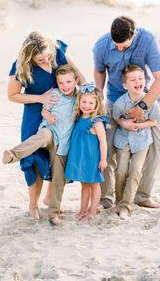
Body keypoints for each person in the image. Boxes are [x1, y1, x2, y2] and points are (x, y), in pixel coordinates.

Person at [93, 16, 160, 209]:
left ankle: (142, 195)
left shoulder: (147, 40)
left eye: (123, 45)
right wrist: (99, 96)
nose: (119, 48)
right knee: (106, 148)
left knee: (158, 148)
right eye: (115, 44)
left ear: (133, 35)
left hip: (148, 98)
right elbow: (99, 71)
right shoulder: (101, 45)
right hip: (115, 99)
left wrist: (142, 106)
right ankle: (106, 198)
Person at [7, 32, 85, 220]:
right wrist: (39, 98)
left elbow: (79, 77)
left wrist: (88, 96)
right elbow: (12, 95)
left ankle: (51, 198)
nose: (46, 60)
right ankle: (33, 205)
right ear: (30, 57)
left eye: (48, 56)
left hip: (64, 113)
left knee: (58, 155)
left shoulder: (57, 50)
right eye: (40, 59)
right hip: (35, 115)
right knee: (33, 159)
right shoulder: (21, 66)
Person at [112, 65, 160, 220]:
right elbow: (116, 118)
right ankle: (119, 202)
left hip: (142, 141)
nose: (138, 82)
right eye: (133, 80)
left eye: (141, 78)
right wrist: (124, 123)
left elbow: (153, 121)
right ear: (125, 85)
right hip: (123, 140)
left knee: (136, 170)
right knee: (120, 171)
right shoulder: (120, 103)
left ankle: (126, 206)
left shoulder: (151, 101)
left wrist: (139, 125)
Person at [65, 84, 108, 222]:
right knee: (84, 185)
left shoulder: (96, 121)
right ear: (79, 102)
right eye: (84, 101)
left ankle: (92, 212)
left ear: (97, 104)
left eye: (91, 102)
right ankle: (83, 210)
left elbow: (103, 142)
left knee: (94, 184)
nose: (87, 105)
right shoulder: (78, 118)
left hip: (93, 159)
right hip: (81, 158)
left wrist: (103, 160)